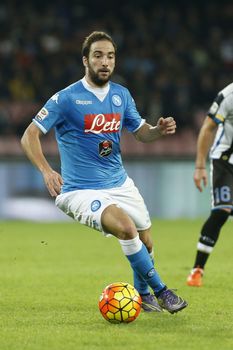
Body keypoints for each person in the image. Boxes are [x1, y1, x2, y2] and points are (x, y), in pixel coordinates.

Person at [21, 31, 187, 313]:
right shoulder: (66, 98)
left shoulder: (122, 96)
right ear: (85, 60)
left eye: (110, 56)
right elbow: (29, 135)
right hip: (80, 191)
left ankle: (143, 296)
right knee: (126, 228)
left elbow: (141, 133)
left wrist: (158, 130)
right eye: (98, 55)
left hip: (120, 184)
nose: (105, 61)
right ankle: (162, 292)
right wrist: (47, 170)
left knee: (146, 242)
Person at [187, 82, 233, 287]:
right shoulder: (229, 95)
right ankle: (197, 269)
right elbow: (208, 127)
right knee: (222, 210)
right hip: (225, 160)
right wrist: (199, 166)